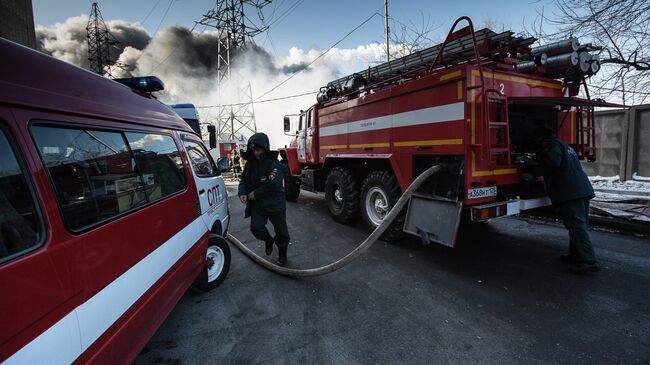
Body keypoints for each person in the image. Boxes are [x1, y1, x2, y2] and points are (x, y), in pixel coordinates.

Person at [529, 126, 599, 274]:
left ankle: (588, 261)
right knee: (579, 225)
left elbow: (552, 164)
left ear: (542, 138)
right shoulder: (564, 144)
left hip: (570, 190)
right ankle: (576, 256)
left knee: (576, 226)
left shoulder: (551, 145)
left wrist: (534, 171)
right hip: (581, 188)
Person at [238, 133, 290, 266]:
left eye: (259, 150)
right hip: (258, 206)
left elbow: (273, 185)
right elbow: (243, 180)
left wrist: (256, 193)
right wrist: (242, 192)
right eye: (254, 150)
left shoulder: (273, 164)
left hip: (275, 204)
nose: (256, 153)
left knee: (282, 233)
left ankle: (282, 256)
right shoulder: (250, 164)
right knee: (256, 228)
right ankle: (268, 240)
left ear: (265, 148)